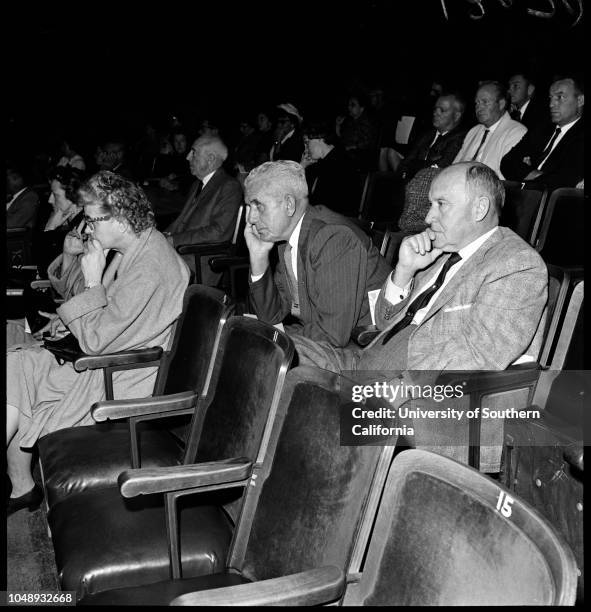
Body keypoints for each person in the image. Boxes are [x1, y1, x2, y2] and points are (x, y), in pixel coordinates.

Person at [6, 171, 190, 514]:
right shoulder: (135, 247)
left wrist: (93, 281)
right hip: (110, 360)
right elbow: (107, 322)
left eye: (91, 220)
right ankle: (22, 486)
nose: (87, 229)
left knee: (20, 373)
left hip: (119, 377)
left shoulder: (150, 267)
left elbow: (95, 340)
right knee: (15, 365)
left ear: (119, 218)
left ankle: (22, 487)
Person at [291, 162, 547, 375]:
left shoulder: (516, 264)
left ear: (479, 208)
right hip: (363, 363)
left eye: (441, 205)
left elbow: (480, 355)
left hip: (410, 389)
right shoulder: (438, 251)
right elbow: (383, 322)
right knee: (275, 349)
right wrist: (404, 271)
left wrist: (386, 389)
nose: (428, 218)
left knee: (300, 392)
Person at [245, 160, 390, 350]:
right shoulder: (287, 240)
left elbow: (333, 334)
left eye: (259, 206)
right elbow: (271, 317)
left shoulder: (332, 237)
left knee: (256, 351)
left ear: (289, 204)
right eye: (249, 207)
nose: (250, 219)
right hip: (323, 342)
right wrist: (258, 257)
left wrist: (275, 334)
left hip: (365, 350)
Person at [164, 135, 243, 284]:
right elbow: (181, 221)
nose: (188, 157)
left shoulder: (229, 187)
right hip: (180, 254)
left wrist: (174, 240)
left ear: (211, 158)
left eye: (193, 152)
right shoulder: (197, 185)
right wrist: (160, 236)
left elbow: (219, 232)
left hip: (199, 259)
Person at [500, 76, 584, 189]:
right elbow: (507, 162)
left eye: (560, 97)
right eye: (551, 98)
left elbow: (564, 180)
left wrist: (527, 171)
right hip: (524, 198)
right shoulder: (542, 129)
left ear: (580, 100)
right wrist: (539, 174)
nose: (551, 104)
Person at [454, 81, 527, 179]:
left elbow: (504, 176)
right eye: (477, 103)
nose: (479, 107)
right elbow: (454, 166)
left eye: (485, 102)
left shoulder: (516, 132)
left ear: (501, 104)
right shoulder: (474, 131)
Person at [398, 92, 467, 182]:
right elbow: (405, 163)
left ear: (456, 116)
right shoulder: (427, 134)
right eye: (435, 109)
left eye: (442, 110)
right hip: (411, 184)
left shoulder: (461, 138)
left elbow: (441, 168)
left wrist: (414, 165)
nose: (435, 113)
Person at [300, 120, 361, 216]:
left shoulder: (339, 163)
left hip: (337, 220)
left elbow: (318, 202)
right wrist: (302, 166)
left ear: (320, 138)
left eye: (307, 143)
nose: (305, 149)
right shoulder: (323, 162)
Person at [34, 166, 86, 276]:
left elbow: (46, 271)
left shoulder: (81, 230)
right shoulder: (70, 223)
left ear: (74, 197)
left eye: (56, 195)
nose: (50, 200)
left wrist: (49, 229)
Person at [336, 93, 378, 170]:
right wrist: (338, 126)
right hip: (347, 153)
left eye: (353, 105)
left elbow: (368, 142)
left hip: (360, 155)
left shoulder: (366, 122)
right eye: (349, 105)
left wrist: (352, 147)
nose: (349, 107)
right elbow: (342, 138)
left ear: (361, 108)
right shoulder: (350, 121)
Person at [6, 165, 39, 229]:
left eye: (7, 180)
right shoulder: (12, 196)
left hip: (15, 237)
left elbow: (12, 224)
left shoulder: (30, 197)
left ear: (16, 180)